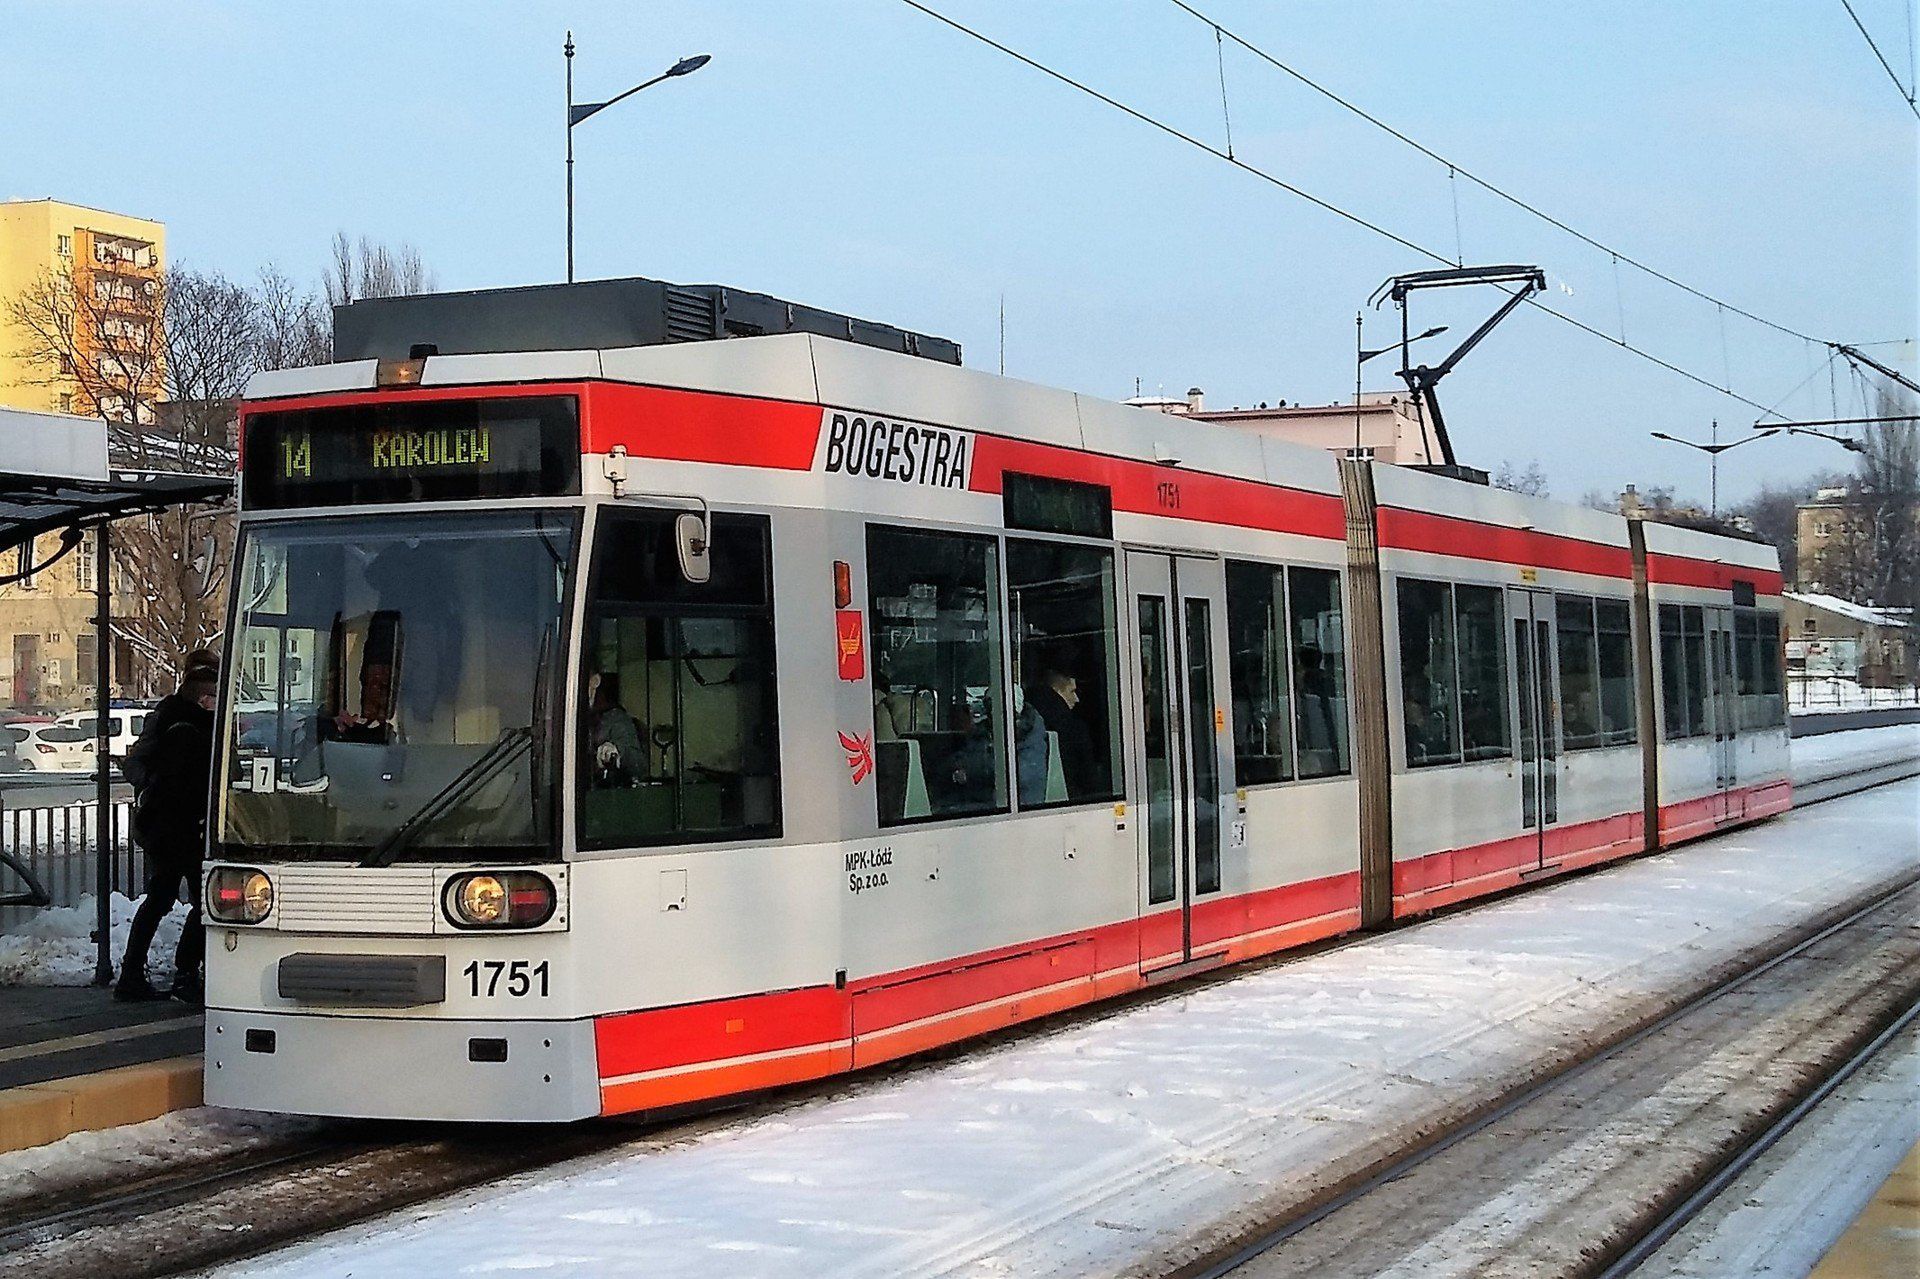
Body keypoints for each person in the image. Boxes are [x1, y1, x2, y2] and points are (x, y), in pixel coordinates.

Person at [117, 665, 218, 1003]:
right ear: (205, 697)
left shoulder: (169, 718)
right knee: (206, 901)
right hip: (186, 827)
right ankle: (185, 974)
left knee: (160, 897)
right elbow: (190, 781)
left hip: (163, 825)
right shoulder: (193, 730)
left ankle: (132, 972)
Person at [1025, 667, 1099, 800]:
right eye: (1072, 691)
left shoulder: (1026, 727)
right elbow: (1087, 779)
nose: (1076, 699)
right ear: (1057, 692)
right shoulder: (1074, 729)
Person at [587, 672, 646, 787]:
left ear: (595, 681)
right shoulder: (565, 721)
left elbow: (639, 766)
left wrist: (617, 750)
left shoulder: (615, 718)